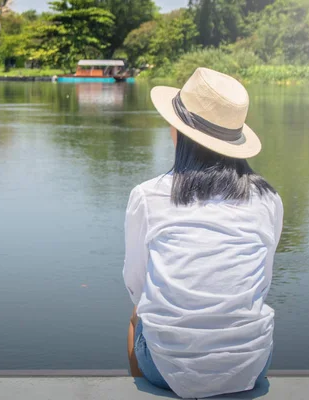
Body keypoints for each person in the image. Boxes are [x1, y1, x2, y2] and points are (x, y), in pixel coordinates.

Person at [124, 68, 283, 398]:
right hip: (250, 367)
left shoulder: (148, 195)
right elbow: (261, 284)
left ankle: (142, 389)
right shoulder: (268, 199)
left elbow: (136, 287)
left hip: (165, 369)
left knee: (136, 317)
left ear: (179, 131)